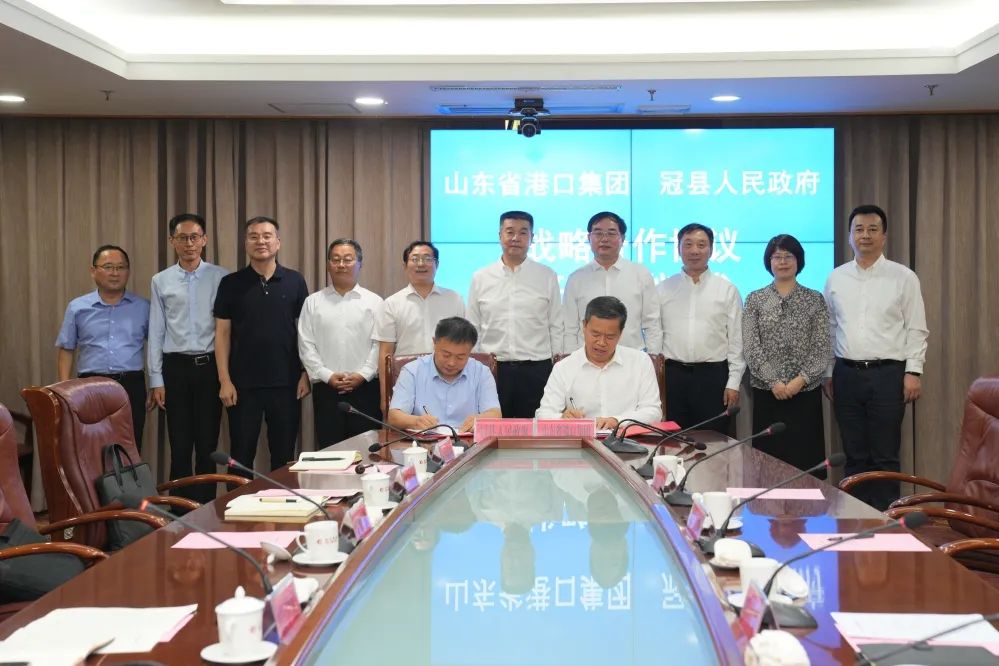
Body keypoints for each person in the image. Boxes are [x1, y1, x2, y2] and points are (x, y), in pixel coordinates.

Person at [824, 204, 928, 510]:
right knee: (854, 453)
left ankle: (886, 519)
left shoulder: (903, 277)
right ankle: (856, 517)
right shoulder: (836, 278)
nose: (865, 235)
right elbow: (831, 328)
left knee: (885, 454)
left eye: (872, 229)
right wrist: (829, 372)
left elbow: (916, 327)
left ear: (884, 236)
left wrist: (913, 372)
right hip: (846, 374)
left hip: (888, 375)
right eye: (858, 229)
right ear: (849, 236)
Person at [213, 216, 310, 473]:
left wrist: (305, 372)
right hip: (242, 386)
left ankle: (283, 500)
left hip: (287, 383)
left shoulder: (295, 281)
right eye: (254, 236)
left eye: (267, 236)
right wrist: (224, 380)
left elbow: (306, 333)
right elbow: (222, 334)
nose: (261, 241)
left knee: (284, 455)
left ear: (278, 242)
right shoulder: (230, 283)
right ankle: (239, 501)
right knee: (241, 455)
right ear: (245, 243)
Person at [148, 213, 229, 503]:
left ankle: (205, 507)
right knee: (180, 445)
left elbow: (226, 330)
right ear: (172, 241)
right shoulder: (161, 281)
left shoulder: (221, 277)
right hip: (176, 369)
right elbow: (156, 330)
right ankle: (179, 509)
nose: (189, 243)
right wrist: (156, 380)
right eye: (182, 238)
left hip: (209, 368)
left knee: (207, 444)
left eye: (194, 237)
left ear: (204, 240)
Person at [742, 234, 831, 474]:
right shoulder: (755, 299)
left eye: (788, 256)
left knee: (805, 465)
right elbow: (751, 346)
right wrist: (774, 382)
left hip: (805, 394)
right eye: (777, 257)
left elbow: (821, 346)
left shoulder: (814, 299)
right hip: (768, 393)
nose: (782, 262)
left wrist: (799, 381)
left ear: (798, 260)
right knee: (767, 466)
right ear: (769, 262)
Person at [467, 211, 562, 418]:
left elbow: (556, 324)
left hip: (537, 369)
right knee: (493, 428)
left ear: (532, 237)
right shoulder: (481, 277)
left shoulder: (547, 275)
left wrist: (557, 367)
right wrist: (476, 366)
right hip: (493, 369)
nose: (516, 238)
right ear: (500, 235)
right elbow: (473, 326)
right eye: (510, 232)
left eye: (523, 232)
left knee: (536, 429)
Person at [56, 245, 150, 444]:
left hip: (131, 385)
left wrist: (157, 384)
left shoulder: (143, 307)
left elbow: (157, 347)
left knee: (129, 446)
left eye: (120, 267)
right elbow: (67, 348)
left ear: (128, 271)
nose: (115, 273)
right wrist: (65, 390)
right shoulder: (77, 307)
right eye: (108, 267)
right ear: (93, 271)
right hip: (89, 385)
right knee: (90, 446)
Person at [658, 223, 745, 434]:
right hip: (673, 376)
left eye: (701, 244)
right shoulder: (663, 289)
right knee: (674, 440)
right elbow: (654, 335)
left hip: (713, 377)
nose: (694, 251)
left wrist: (733, 382)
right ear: (678, 249)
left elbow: (736, 340)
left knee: (714, 440)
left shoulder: (727, 290)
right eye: (688, 244)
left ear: (711, 250)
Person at [298, 238, 383, 447]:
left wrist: (363, 374)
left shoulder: (375, 302)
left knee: (368, 451)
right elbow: (306, 344)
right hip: (327, 390)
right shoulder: (313, 302)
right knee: (330, 450)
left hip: (366, 389)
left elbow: (380, 345)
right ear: (328, 265)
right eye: (335, 260)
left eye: (348, 259)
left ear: (360, 264)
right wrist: (327, 375)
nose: (341, 264)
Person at [537, 296, 661, 429]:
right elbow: (543, 414)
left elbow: (653, 411)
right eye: (595, 334)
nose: (601, 342)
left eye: (610, 337)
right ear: (584, 326)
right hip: (583, 439)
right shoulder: (564, 367)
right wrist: (562, 418)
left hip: (628, 438)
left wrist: (617, 421)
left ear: (620, 333)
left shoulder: (640, 362)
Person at [373, 240, 464, 406]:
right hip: (405, 382)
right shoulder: (391, 303)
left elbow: (463, 345)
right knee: (406, 423)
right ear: (405, 266)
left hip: (448, 380)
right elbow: (385, 353)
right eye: (415, 259)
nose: (421, 264)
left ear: (437, 264)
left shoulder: (454, 299)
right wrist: (385, 396)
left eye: (427, 259)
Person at [562, 212, 662, 353]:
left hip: (631, 357)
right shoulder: (576, 278)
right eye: (598, 233)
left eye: (611, 233)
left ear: (622, 238)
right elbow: (569, 327)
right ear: (589, 238)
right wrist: (571, 358)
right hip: (588, 358)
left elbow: (652, 322)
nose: (604, 239)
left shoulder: (640, 274)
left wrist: (654, 355)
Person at [387, 317, 501, 433]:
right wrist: (415, 421)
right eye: (446, 355)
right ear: (434, 343)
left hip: (469, 441)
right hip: (424, 441)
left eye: (460, 357)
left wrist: (481, 419)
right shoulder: (412, 371)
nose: (451, 363)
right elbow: (394, 416)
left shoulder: (481, 373)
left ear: (470, 351)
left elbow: (495, 414)